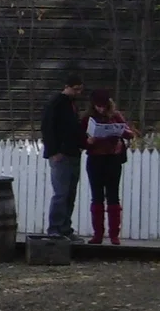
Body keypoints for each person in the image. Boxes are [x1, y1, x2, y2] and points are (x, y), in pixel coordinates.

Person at [84, 89, 136, 245]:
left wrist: (120, 131)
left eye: (103, 106)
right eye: (98, 106)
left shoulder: (115, 116)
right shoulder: (88, 118)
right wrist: (89, 141)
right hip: (95, 159)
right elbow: (81, 138)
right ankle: (97, 234)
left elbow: (129, 133)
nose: (100, 109)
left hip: (113, 158)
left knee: (113, 196)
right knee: (97, 196)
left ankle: (114, 235)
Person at [41, 73, 87, 238]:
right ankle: (54, 228)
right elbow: (48, 128)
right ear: (67, 87)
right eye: (76, 89)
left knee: (70, 194)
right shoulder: (56, 104)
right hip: (61, 154)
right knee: (61, 193)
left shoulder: (72, 105)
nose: (78, 93)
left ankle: (65, 227)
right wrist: (53, 151)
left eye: (80, 90)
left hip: (73, 152)